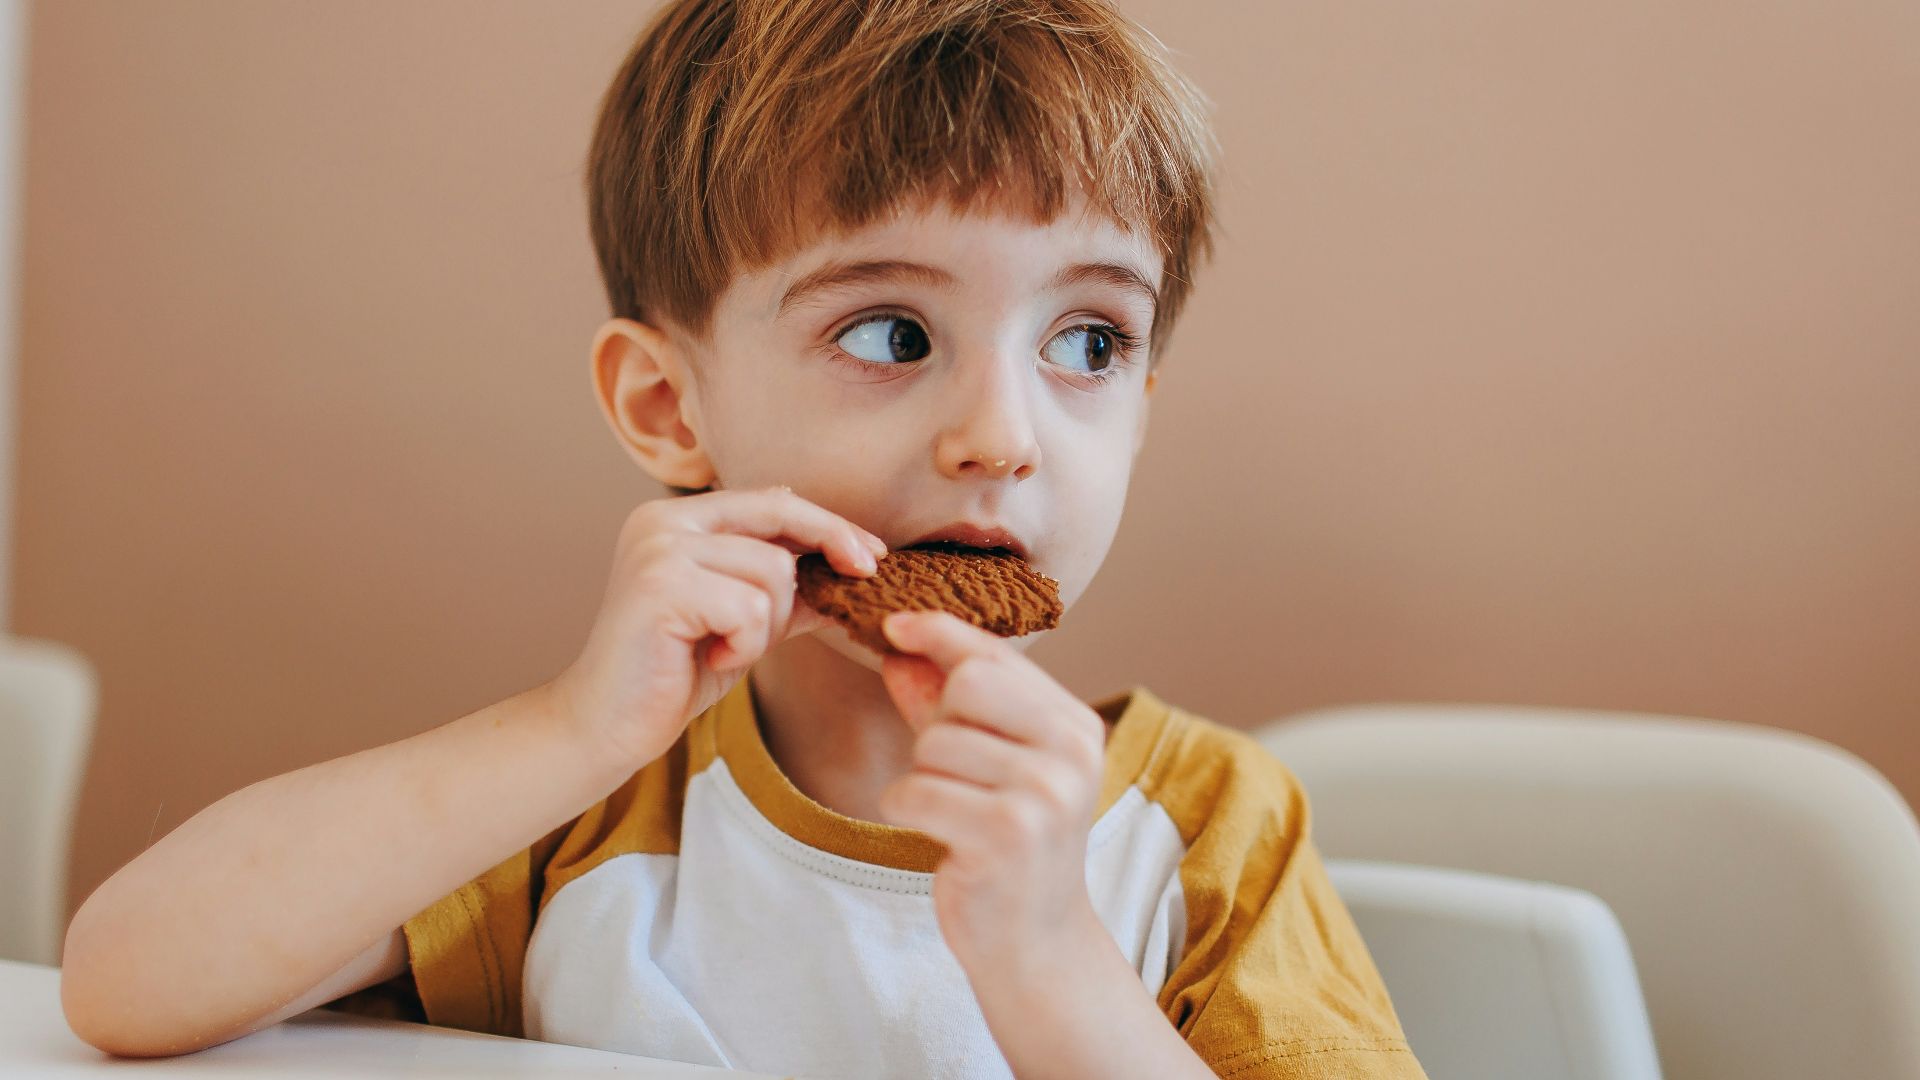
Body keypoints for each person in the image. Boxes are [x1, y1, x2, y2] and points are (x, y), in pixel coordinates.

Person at [61, 1, 1427, 1076]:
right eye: (894, 335)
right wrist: (566, 731)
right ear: (669, 406)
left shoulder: (1200, 835)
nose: (1004, 433)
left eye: (1089, 341)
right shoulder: (589, 811)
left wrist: (1055, 958)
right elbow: (123, 983)